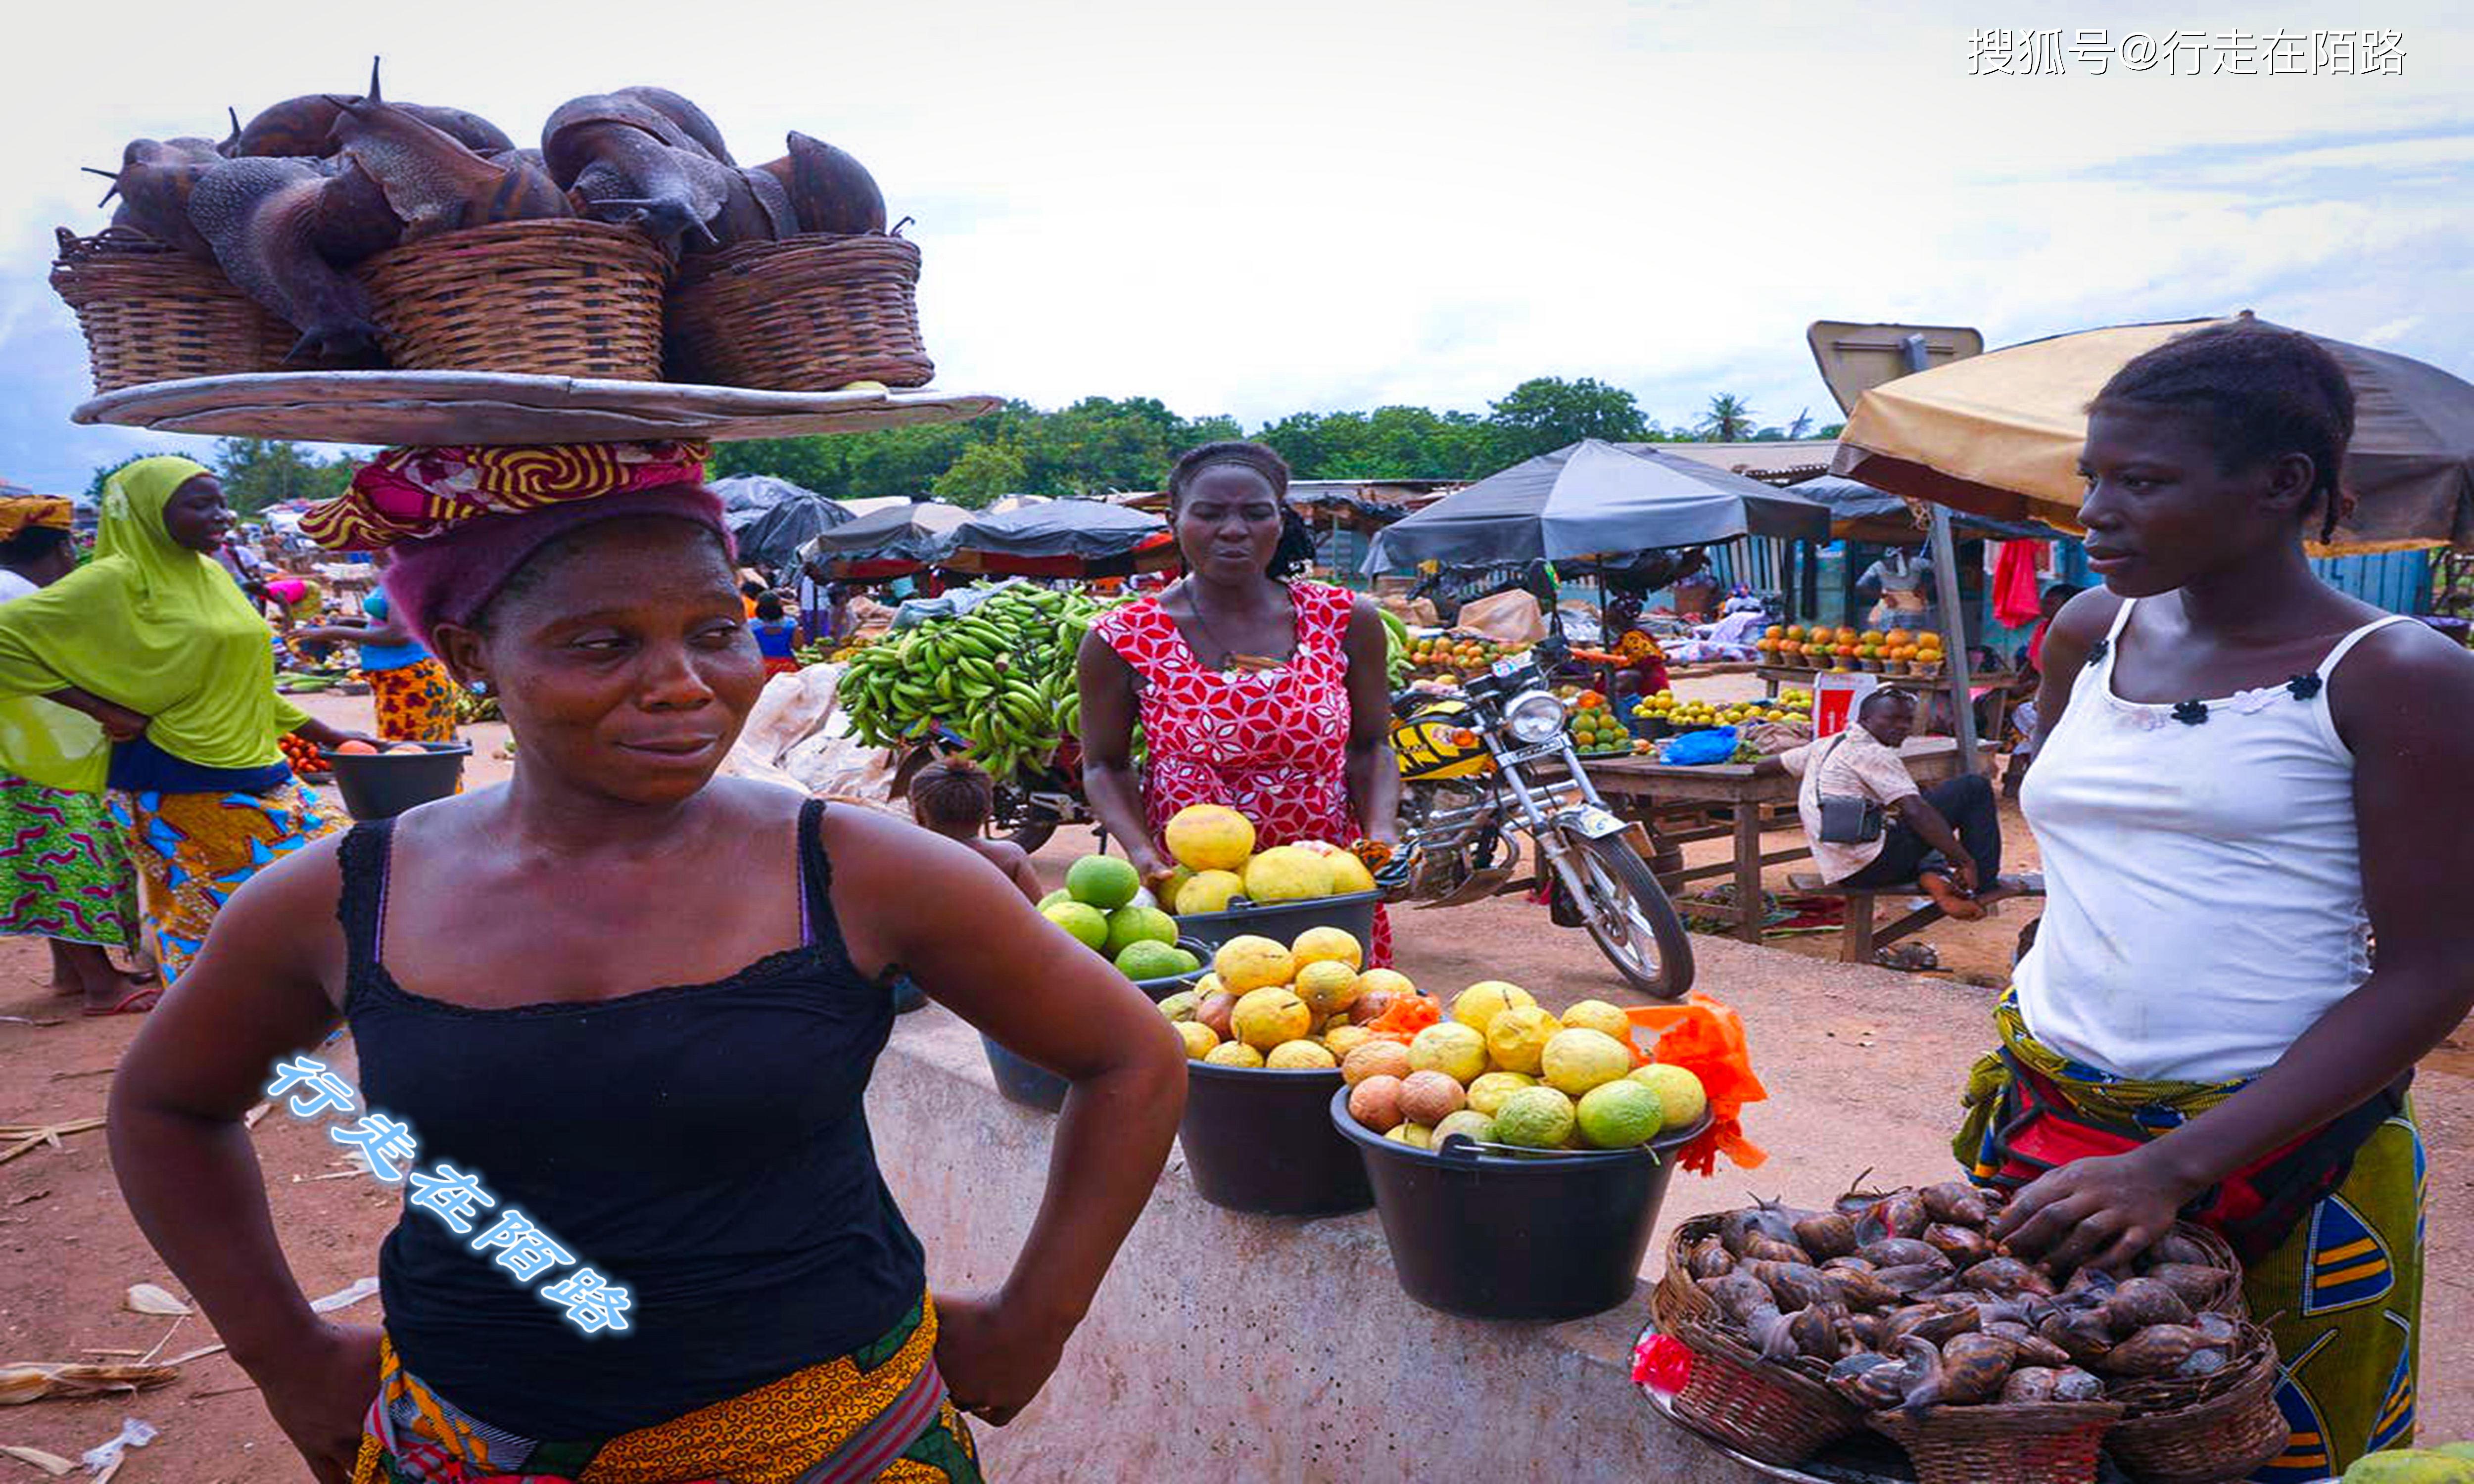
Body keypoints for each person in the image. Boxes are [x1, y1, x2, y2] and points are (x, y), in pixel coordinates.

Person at [108, 445, 1186, 1484]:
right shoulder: (343, 898)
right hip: (471, 1445)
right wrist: (283, 1356)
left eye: (716, 630)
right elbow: (167, 1106)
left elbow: (1129, 1057)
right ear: (468, 653)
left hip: (842, 1444)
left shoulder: (863, 871)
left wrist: (1036, 1319)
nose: (681, 684)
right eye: (600, 644)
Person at [1957, 321, 2474, 1478]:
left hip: (2279, 1157)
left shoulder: (2397, 677)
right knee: (2026, 1434)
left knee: (2262, 1456)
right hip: (2051, 1133)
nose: (2093, 510)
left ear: (2280, 485)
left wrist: (2173, 1168)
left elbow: (2437, 966)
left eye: (2141, 481)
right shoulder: (2087, 634)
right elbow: (2105, 850)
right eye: (2091, 475)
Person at [0, 458, 362, 983]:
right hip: (174, 778)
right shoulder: (115, 579)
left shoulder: (210, 574)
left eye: (221, 501)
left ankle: (252, 1036)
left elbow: (242, 680)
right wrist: (102, 710)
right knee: (210, 915)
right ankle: (219, 1042)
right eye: (200, 504)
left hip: (255, 767)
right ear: (147, 513)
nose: (223, 516)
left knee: (265, 902)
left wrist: (328, 736)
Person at [1078, 442, 1401, 963]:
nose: (1233, 530)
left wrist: (1381, 835)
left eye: (1255, 513)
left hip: (1326, 883)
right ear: (1174, 520)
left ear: (1279, 520)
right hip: (1197, 889)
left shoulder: (1345, 619)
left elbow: (1370, 746)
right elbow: (1104, 765)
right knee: (1213, 1028)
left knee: (1341, 1026)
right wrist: (1142, 855)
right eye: (1208, 514)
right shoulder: (1122, 636)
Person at [0, 498, 150, 1014]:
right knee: (68, 857)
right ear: (65, 546)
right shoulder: (17, 596)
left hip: (26, 747)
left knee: (39, 860)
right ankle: (102, 986)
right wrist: (102, 709)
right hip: (31, 755)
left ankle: (73, 973)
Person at [1754, 688, 2018, 921]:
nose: (1902, 727)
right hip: (1871, 868)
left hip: (1842, 868)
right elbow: (1916, 812)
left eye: (1907, 720)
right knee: (1973, 788)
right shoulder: (1873, 753)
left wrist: (1750, 766)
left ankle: (1934, 878)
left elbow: (1768, 765)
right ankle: (1985, 885)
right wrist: (1965, 861)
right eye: (1891, 719)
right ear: (1865, 720)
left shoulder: (1827, 745)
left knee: (1920, 809)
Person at [291, 574, 461, 743]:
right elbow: (383, 622)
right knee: (414, 749)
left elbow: (399, 635)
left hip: (409, 679)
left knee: (407, 752)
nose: (372, 552)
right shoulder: (393, 577)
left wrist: (332, 632)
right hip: (397, 678)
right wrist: (343, 623)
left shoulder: (404, 581)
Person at [908, 756, 1044, 905]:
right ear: (988, 811)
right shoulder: (1010, 858)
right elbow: (1040, 911)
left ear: (919, 815)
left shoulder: (905, 862)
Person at [1855, 547, 1935, 633]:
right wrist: (1925, 587)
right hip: (1909, 607)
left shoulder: (1878, 566)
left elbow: (1861, 585)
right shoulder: (1917, 562)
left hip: (1895, 608)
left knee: (1892, 639)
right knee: (1912, 639)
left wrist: (1884, 597)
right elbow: (1940, 569)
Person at [751, 593, 801, 678]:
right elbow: (798, 646)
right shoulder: (791, 624)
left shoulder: (750, 625)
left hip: (760, 667)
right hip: (785, 667)